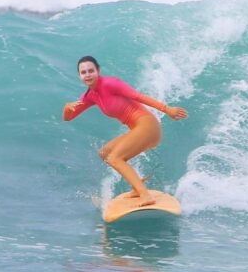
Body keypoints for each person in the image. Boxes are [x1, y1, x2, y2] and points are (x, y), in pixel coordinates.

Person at [63, 55, 187, 206]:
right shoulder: (90, 96)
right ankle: (137, 187)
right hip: (138, 129)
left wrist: (167, 109)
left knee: (114, 158)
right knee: (105, 153)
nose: (88, 74)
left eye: (91, 70)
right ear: (79, 76)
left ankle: (145, 195)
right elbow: (68, 118)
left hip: (147, 125)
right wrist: (67, 108)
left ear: (98, 71)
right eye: (83, 72)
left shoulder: (110, 83)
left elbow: (138, 96)